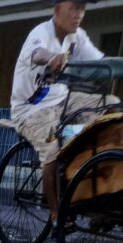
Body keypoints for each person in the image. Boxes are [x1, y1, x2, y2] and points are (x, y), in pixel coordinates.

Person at [11, 0, 119, 222]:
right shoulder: (41, 32)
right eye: (74, 8)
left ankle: (98, 190)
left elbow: (100, 62)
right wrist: (52, 57)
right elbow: (37, 53)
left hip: (62, 100)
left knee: (112, 105)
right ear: (57, 9)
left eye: (82, 9)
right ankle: (56, 213)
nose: (78, 14)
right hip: (30, 110)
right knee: (51, 150)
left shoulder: (76, 36)